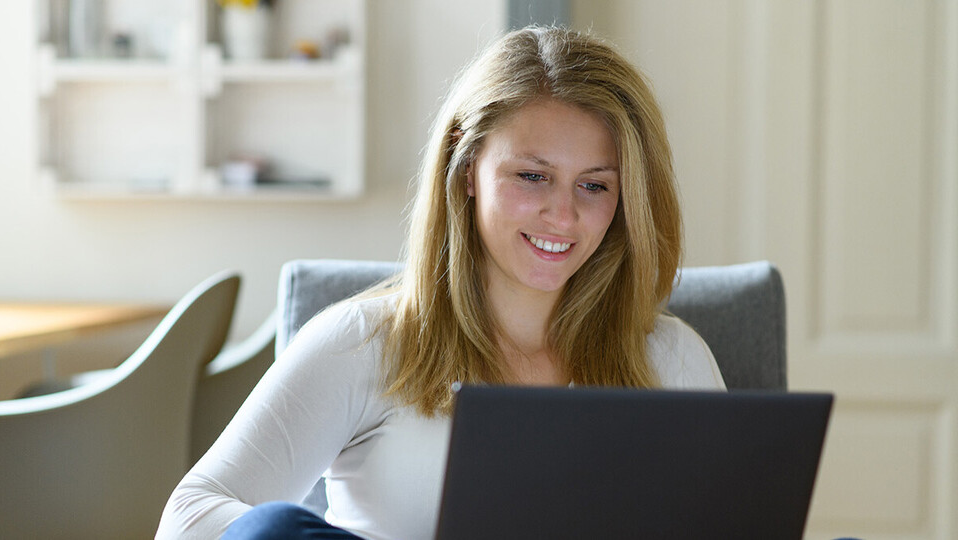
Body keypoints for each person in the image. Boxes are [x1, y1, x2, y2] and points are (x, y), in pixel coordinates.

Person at [156, 25, 725, 540]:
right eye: (532, 176)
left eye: (595, 186)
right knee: (274, 528)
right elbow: (188, 517)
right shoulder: (363, 344)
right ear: (466, 167)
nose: (563, 216)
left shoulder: (672, 359)